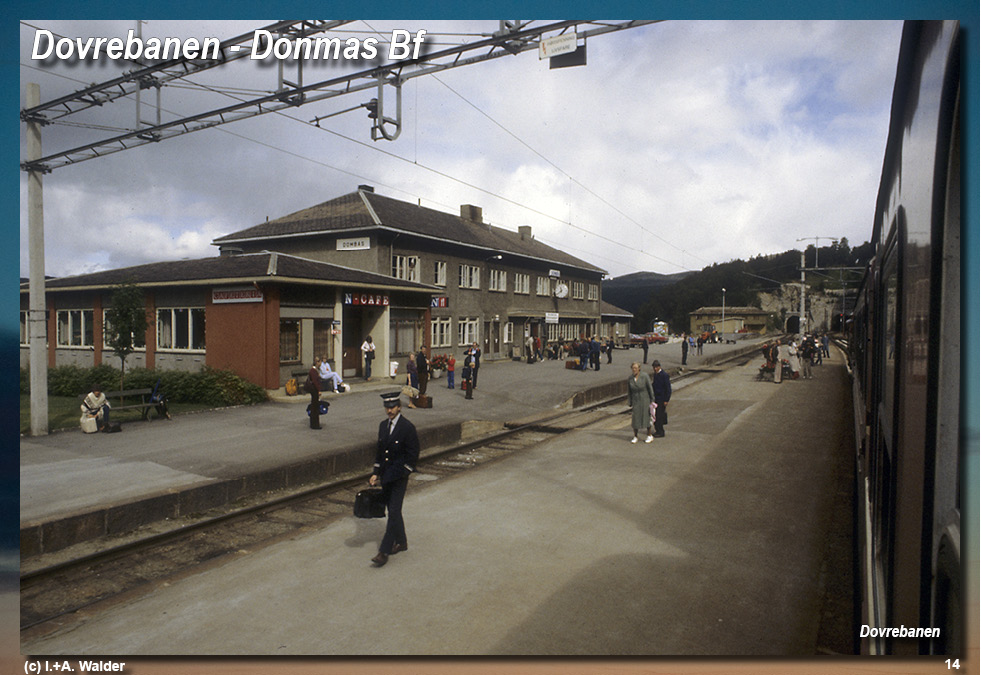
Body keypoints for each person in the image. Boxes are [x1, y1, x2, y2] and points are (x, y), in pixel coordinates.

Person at [369, 392, 421, 567]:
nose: (389, 410)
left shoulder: (407, 427)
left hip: (399, 476)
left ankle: (384, 551)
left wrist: (405, 472)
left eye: (392, 407)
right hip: (386, 476)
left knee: (393, 511)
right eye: (387, 407)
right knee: (394, 511)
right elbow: (380, 451)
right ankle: (402, 541)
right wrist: (375, 472)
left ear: (399, 407)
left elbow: (413, 454)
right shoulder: (383, 426)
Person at [627, 362, 655, 444]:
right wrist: (630, 401)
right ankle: (635, 436)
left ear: (639, 368)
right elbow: (629, 391)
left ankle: (649, 435)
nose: (634, 370)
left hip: (645, 399)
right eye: (633, 368)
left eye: (636, 368)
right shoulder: (630, 378)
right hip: (636, 400)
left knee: (646, 417)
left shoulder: (645, 376)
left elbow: (650, 388)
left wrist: (652, 399)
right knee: (635, 418)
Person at [651, 360, 671, 437]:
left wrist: (666, 399)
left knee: (659, 415)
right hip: (656, 398)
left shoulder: (664, 375)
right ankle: (657, 430)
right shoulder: (655, 375)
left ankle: (661, 431)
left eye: (656, 367)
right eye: (654, 367)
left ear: (659, 367)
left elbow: (668, 388)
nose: (655, 369)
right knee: (655, 415)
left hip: (662, 398)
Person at [305, 359, 323, 429]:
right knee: (315, 406)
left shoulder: (314, 371)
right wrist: (319, 390)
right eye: (320, 362)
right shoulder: (313, 371)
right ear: (317, 363)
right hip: (314, 390)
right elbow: (315, 381)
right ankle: (315, 424)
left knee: (314, 405)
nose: (320, 364)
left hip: (314, 390)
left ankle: (314, 423)